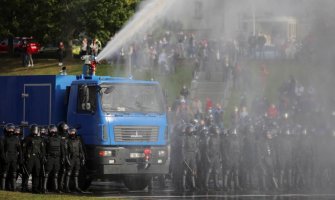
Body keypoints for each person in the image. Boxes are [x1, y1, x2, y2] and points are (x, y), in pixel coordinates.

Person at [21, 124, 45, 193]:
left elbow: (43, 150)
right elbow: (23, 149)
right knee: (27, 173)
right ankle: (24, 188)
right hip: (29, 158)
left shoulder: (40, 139)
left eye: (36, 130)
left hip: (37, 158)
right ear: (31, 130)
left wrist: (43, 157)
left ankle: (35, 188)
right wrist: (23, 158)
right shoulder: (27, 138)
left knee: (36, 174)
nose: (35, 131)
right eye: (34, 130)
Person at [42, 124, 64, 193]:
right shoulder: (46, 139)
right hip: (50, 157)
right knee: (47, 173)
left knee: (56, 174)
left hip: (57, 158)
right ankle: (44, 188)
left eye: (54, 129)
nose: (53, 131)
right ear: (49, 130)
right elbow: (43, 149)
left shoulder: (59, 138)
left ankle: (56, 188)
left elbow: (62, 149)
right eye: (51, 129)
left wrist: (63, 157)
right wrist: (44, 157)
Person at [0, 123, 22, 191]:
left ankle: (14, 188)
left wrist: (20, 158)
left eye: (12, 128)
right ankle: (3, 188)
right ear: (6, 129)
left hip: (14, 159)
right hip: (6, 158)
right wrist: (4, 158)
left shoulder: (16, 139)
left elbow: (20, 150)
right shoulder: (3, 138)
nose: (11, 130)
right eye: (9, 128)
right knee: (4, 174)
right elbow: (2, 150)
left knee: (14, 174)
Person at [64, 128, 85, 193]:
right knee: (68, 173)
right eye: (71, 132)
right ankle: (66, 187)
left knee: (76, 173)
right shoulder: (67, 140)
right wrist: (67, 159)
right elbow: (65, 151)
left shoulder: (78, 140)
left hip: (77, 158)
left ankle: (76, 187)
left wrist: (83, 158)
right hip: (71, 158)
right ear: (69, 133)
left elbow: (81, 150)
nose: (72, 133)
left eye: (73, 132)